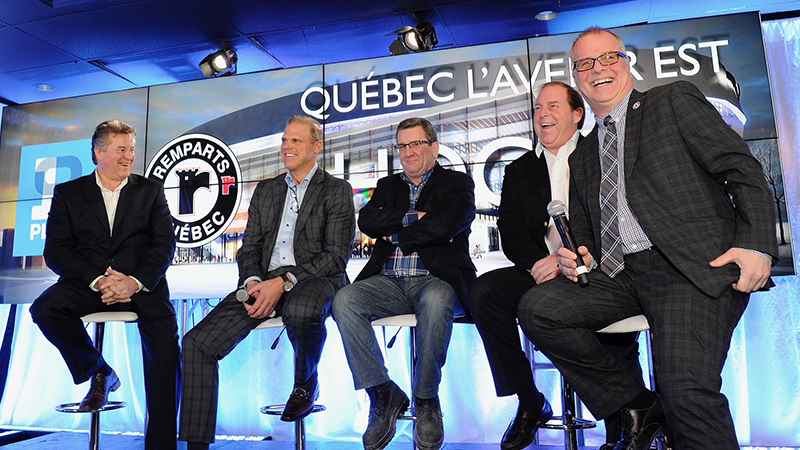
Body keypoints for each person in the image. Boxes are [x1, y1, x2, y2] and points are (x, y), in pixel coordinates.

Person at [518, 27, 778, 450]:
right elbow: (586, 233)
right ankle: (637, 403)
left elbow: (742, 170)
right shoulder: (583, 154)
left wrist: (755, 245)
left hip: (687, 268)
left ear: (626, 61)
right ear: (577, 75)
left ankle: (664, 406)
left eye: (607, 58)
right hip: (620, 275)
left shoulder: (671, 100)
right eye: (585, 64)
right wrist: (574, 256)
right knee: (539, 308)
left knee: (685, 392)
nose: (597, 69)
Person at [467, 81, 643, 450]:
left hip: (599, 268)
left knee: (607, 327)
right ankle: (530, 402)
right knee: (485, 293)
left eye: (552, 106)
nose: (542, 114)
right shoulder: (519, 169)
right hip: (541, 270)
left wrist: (575, 260)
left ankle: (624, 423)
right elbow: (511, 228)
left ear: (578, 114)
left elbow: (616, 217)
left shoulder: (603, 154)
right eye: (537, 108)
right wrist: (539, 263)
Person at [179, 115, 355, 450]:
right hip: (265, 280)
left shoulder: (336, 190)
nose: (286, 146)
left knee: (302, 310)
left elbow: (335, 256)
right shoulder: (267, 190)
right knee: (196, 343)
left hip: (315, 277)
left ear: (317, 147)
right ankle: (197, 445)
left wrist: (284, 281)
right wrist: (254, 280)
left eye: (296, 141)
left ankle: (305, 383)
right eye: (284, 140)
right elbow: (251, 247)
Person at [30, 119, 180, 450]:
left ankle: (161, 445)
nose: (129, 156)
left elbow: (163, 246)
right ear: (99, 152)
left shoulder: (150, 190)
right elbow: (56, 251)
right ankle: (99, 370)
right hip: (89, 284)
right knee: (45, 309)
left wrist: (134, 282)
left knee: (167, 351)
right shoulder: (68, 194)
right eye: (121, 149)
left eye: (131, 149)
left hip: (140, 286)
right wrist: (99, 280)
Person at [332, 117, 476, 450]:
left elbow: (447, 224)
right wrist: (418, 218)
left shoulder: (457, 183)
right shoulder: (387, 186)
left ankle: (425, 398)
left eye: (416, 144)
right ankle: (383, 393)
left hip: (437, 279)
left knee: (438, 300)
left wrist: (396, 231)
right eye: (402, 145)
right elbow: (367, 220)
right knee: (344, 300)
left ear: (434, 147)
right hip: (388, 281)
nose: (408, 152)